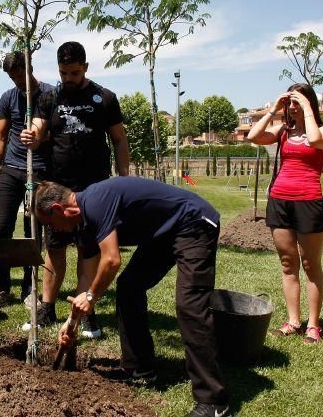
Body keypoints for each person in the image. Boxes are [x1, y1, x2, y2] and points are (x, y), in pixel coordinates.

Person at [34, 178, 231, 417]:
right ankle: (140, 367)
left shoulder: (95, 202)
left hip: (194, 222)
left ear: (58, 209)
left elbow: (112, 260)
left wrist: (91, 296)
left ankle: (214, 402)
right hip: (163, 233)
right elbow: (88, 278)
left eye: (50, 224)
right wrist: (71, 322)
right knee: (129, 287)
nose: (53, 230)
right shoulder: (83, 225)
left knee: (190, 305)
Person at [21, 41, 130, 339]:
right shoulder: (49, 96)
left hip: (94, 188)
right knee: (54, 248)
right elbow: (40, 127)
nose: (68, 77)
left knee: (89, 251)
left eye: (74, 72)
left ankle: (87, 312)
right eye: (63, 72)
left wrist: (123, 176)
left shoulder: (104, 98)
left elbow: (119, 139)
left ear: (85, 67)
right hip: (58, 188)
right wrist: (33, 135)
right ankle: (46, 307)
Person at [247, 83, 323, 343]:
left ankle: (313, 325)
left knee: (310, 265)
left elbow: (317, 140)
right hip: (280, 201)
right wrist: (273, 110)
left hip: (309, 202)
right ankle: (294, 321)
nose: (293, 107)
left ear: (309, 103)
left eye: (298, 102)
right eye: (291, 102)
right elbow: (253, 136)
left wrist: (306, 105)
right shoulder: (283, 130)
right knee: (288, 265)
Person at [0, 52, 54, 309]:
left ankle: (30, 289)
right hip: (11, 169)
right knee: (2, 228)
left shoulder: (50, 95)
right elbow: (0, 136)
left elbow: (57, 133)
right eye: (12, 77)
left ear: (30, 68)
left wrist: (42, 138)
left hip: (40, 170)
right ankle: (1, 287)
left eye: (20, 75)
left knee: (32, 232)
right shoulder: (8, 97)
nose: (17, 82)